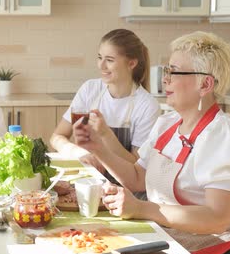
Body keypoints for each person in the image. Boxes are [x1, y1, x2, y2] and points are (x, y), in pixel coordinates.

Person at [74, 31, 230, 254]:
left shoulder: (223, 133)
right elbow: (137, 178)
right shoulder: (168, 124)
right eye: (166, 71)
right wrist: (97, 147)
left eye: (174, 72)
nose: (166, 80)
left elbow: (217, 218)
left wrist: (141, 208)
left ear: (205, 84)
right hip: (174, 241)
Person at [50, 29, 160, 191]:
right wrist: (79, 153)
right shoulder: (90, 90)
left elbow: (136, 166)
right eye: (100, 58)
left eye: (109, 60)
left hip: (123, 191)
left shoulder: (146, 105)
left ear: (131, 63)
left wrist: (105, 134)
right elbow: (57, 137)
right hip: (85, 183)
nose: (101, 66)